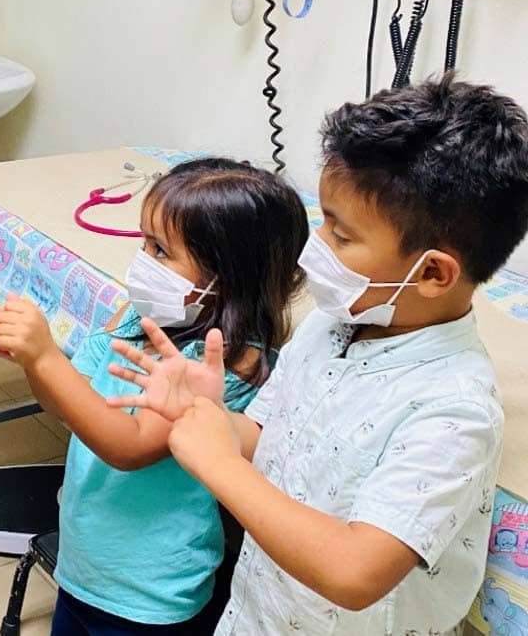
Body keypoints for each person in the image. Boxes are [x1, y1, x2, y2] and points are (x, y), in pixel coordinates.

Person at [110, 76, 528, 634]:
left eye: (342, 234)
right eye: (323, 219)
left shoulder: (453, 410)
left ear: (431, 273)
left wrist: (217, 461)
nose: (315, 249)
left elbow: (355, 573)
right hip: (258, 615)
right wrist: (215, 421)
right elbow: (276, 447)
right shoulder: (332, 326)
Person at [0, 158, 309, 636]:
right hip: (85, 564)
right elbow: (66, 405)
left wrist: (47, 359)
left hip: (148, 593)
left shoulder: (225, 363)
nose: (144, 261)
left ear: (225, 276)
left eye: (162, 251)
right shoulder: (133, 319)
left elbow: (127, 447)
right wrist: (35, 364)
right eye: (145, 243)